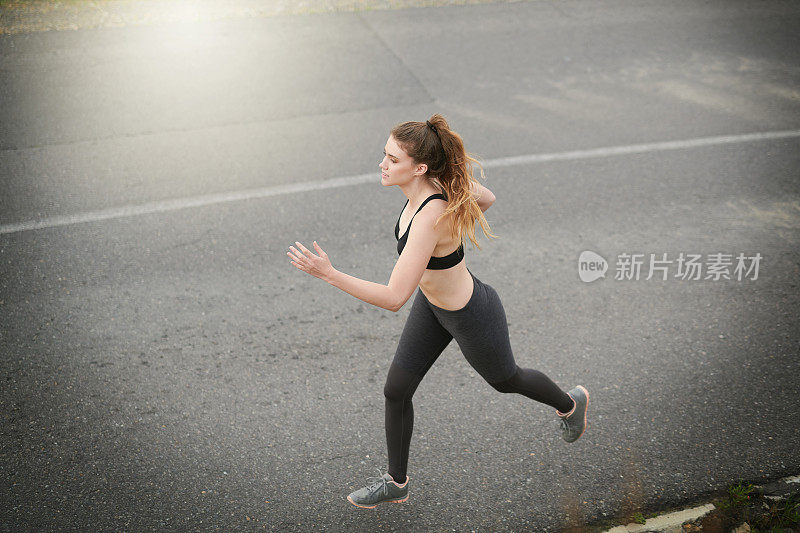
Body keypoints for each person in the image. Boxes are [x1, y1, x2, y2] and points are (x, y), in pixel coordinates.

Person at [287, 114, 589, 509]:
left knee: (505, 379)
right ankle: (397, 483)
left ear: (420, 168)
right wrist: (456, 199)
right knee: (396, 390)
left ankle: (570, 404)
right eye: (385, 155)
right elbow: (486, 198)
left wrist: (329, 274)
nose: (382, 164)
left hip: (471, 313)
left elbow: (395, 297)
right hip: (433, 306)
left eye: (393, 160)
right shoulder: (430, 190)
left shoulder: (430, 215)